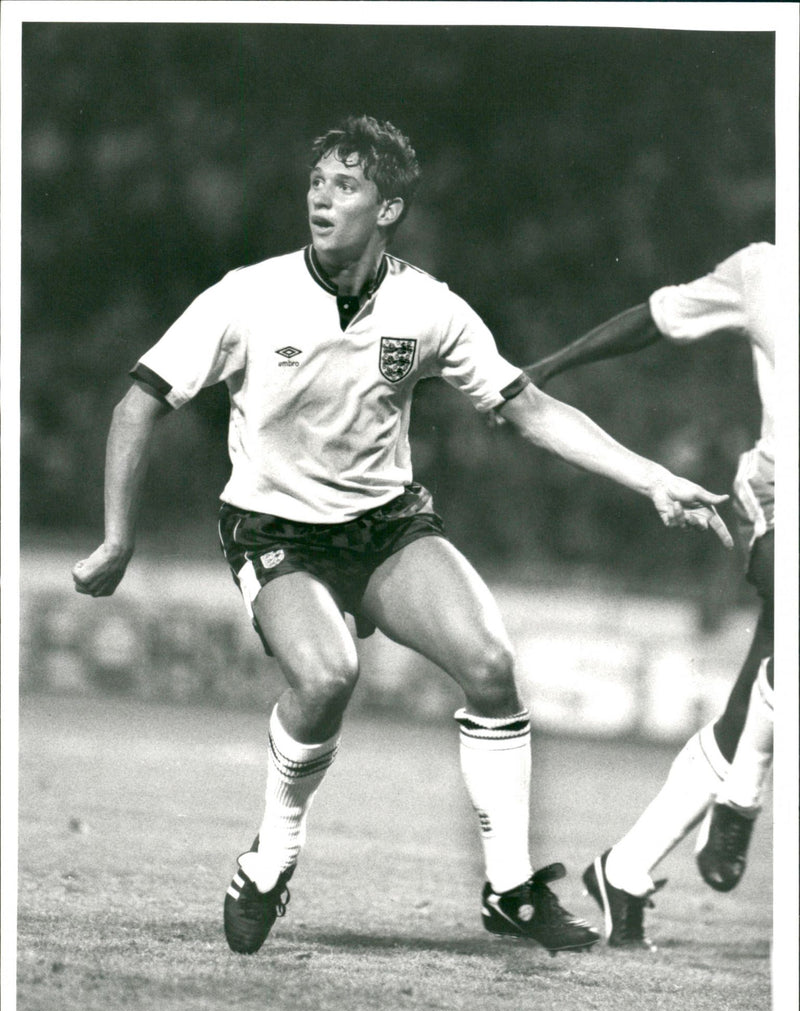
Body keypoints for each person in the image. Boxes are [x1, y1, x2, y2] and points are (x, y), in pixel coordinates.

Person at [72, 115, 733, 958]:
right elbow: (139, 402)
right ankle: (270, 858)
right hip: (277, 528)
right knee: (327, 676)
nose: (322, 197)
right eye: (318, 182)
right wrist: (117, 538)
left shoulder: (428, 307)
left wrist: (653, 477)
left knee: (492, 664)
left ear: (388, 209)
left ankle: (508, 888)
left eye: (346, 186)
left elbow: (526, 407)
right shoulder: (247, 295)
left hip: (385, 526)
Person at [524, 242, 775, 949]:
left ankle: (625, 869)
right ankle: (742, 796)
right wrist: (552, 367)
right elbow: (655, 317)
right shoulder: (764, 272)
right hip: (776, 501)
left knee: (749, 707)